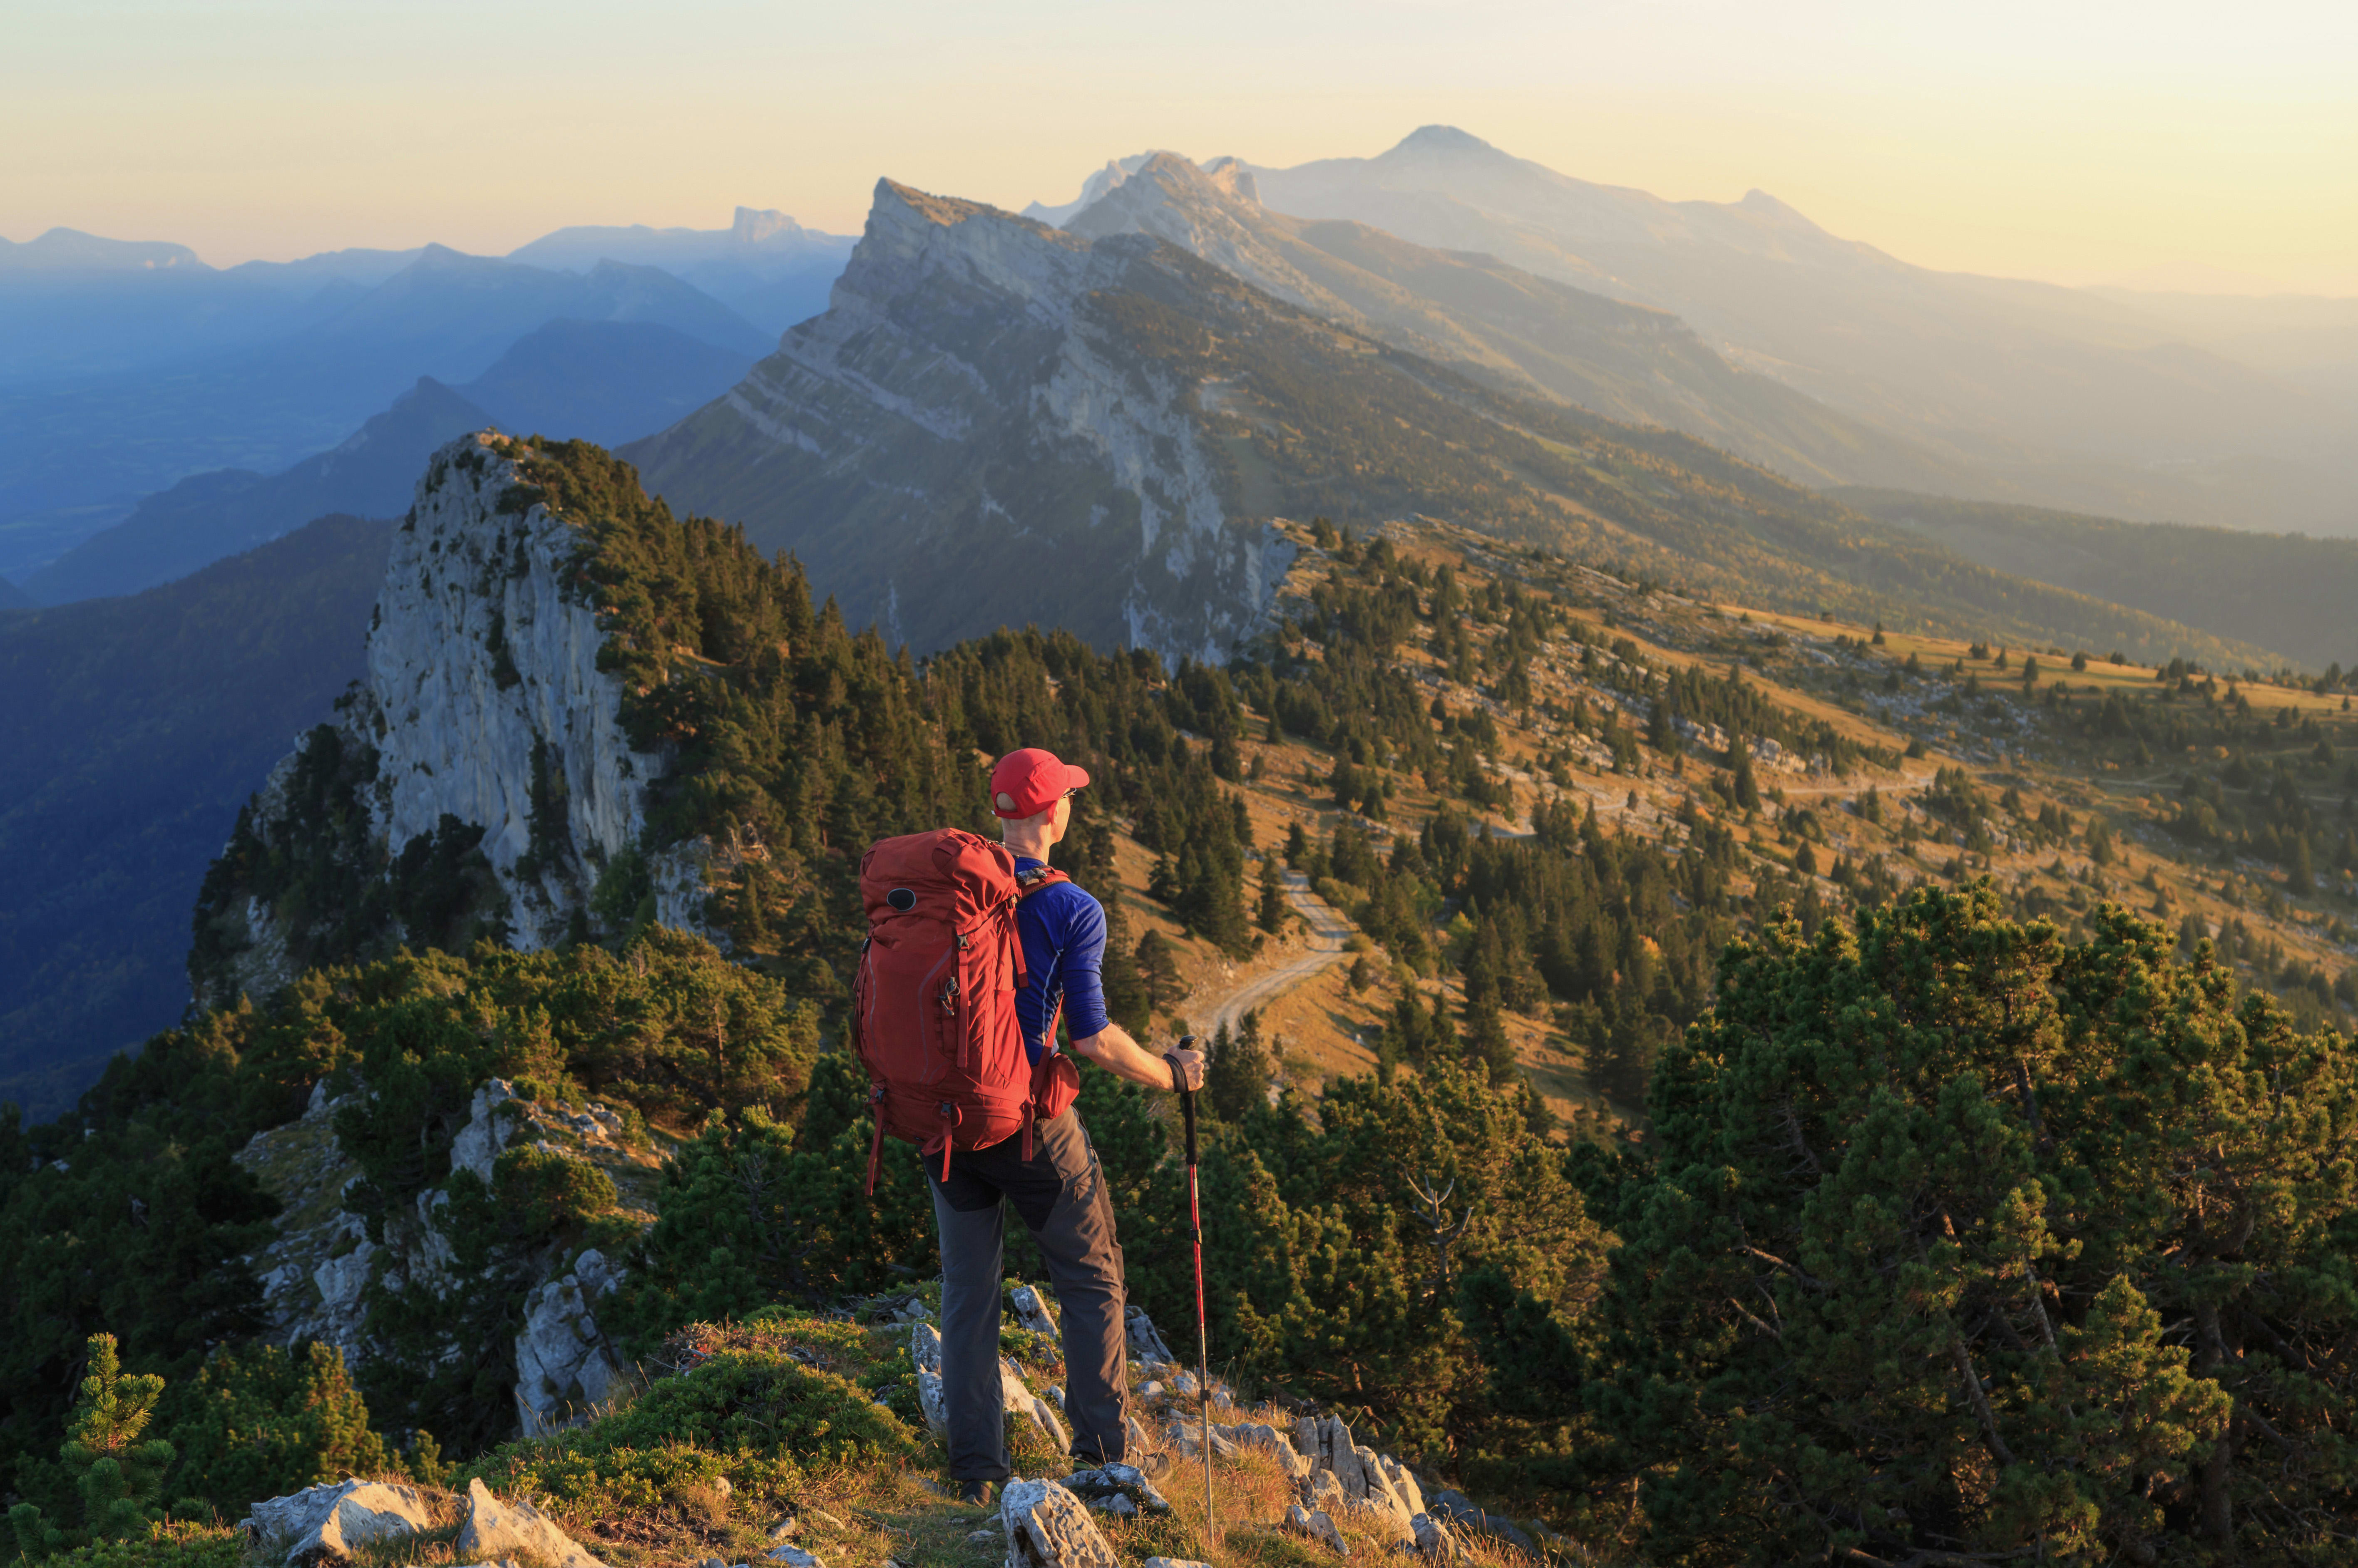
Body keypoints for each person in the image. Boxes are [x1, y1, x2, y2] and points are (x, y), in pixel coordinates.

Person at [932, 746, 1204, 1505]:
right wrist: (1169, 1071)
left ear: (1000, 812)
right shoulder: (1070, 906)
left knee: (967, 1291)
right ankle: (1099, 1464)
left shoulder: (950, 887)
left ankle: (975, 1476)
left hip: (944, 1121)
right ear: (1053, 812)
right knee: (1091, 1279)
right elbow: (1091, 1039)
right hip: (1027, 1124)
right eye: (1069, 797)